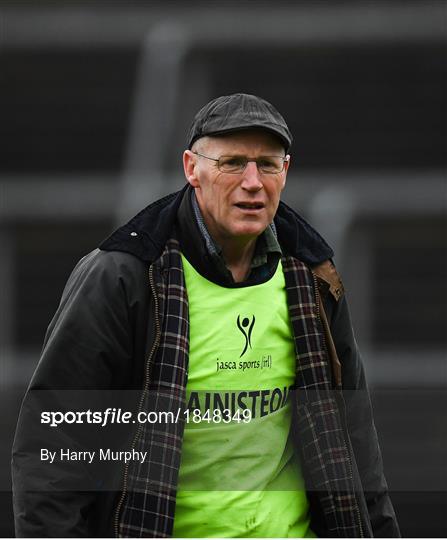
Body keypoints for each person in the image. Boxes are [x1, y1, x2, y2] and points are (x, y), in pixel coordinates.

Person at [12, 93, 400, 538]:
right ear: (191, 169)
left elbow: (356, 447)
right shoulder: (121, 275)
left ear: (285, 172)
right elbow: (56, 448)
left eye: (267, 164)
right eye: (232, 162)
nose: (252, 181)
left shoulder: (314, 276)